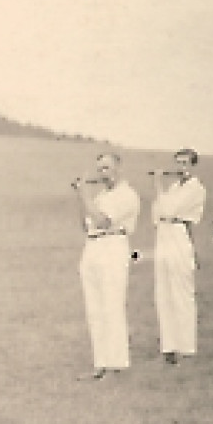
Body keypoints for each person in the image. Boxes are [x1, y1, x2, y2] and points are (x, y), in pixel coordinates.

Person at [73, 152, 141, 379]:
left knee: (112, 306)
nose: (103, 173)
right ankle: (100, 364)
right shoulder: (101, 196)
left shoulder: (127, 195)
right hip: (92, 247)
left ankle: (117, 364)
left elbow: (103, 221)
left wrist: (84, 196)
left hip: (113, 245)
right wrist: (79, 197)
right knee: (95, 309)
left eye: (107, 168)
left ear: (118, 169)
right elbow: (86, 224)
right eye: (100, 169)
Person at [149, 149, 206, 364]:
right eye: (178, 163)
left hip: (179, 236)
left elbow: (170, 209)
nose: (181, 167)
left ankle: (186, 348)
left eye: (185, 163)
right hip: (163, 236)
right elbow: (156, 215)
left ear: (192, 166)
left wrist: (157, 185)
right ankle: (169, 347)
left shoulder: (196, 189)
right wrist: (161, 194)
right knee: (163, 293)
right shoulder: (173, 188)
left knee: (182, 294)